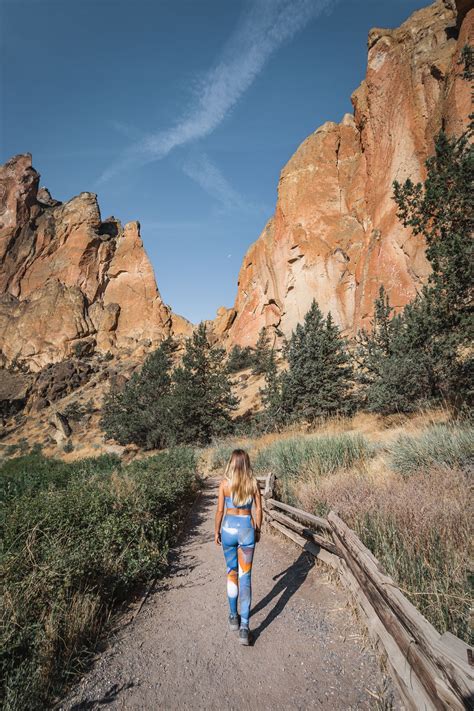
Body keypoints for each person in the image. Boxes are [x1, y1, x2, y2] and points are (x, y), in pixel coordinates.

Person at [214, 449, 262, 646]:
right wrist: (257, 529)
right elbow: (259, 508)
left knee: (231, 573)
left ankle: (233, 616)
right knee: (246, 578)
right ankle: (244, 628)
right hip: (246, 529)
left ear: (232, 463)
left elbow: (219, 511)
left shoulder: (224, 484)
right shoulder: (252, 483)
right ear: (247, 463)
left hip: (228, 529)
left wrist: (216, 531)